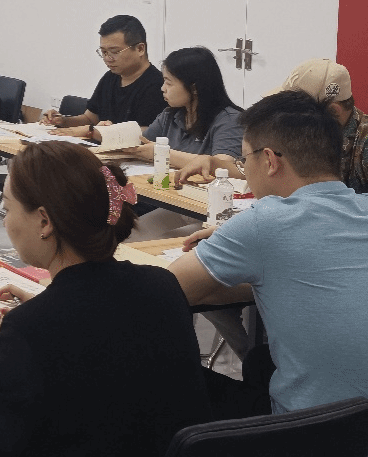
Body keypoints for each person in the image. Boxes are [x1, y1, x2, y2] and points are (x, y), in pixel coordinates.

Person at [0, 141, 210, 457]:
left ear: (44, 222)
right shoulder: (162, 286)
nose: (5, 221)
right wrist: (46, 303)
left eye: (7, 208)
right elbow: (98, 326)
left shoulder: (27, 330)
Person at [169, 90, 368, 417]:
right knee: (260, 362)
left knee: (173, 380)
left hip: (314, 431)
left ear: (270, 161)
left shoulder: (264, 222)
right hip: (353, 423)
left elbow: (166, 290)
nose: (245, 172)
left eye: (243, 160)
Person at [175, 58, 368, 193]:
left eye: (297, 108)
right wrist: (214, 164)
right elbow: (256, 167)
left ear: (334, 111)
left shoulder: (364, 142)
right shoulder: (300, 131)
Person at [42, 14, 165, 138]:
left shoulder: (157, 86)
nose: (107, 58)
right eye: (104, 52)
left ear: (140, 49)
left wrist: (92, 131)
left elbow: (145, 134)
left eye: (114, 52)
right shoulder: (110, 77)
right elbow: (90, 119)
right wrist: (63, 121)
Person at [132, 46, 244, 170]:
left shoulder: (230, 120)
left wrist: (161, 152)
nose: (163, 88)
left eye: (169, 83)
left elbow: (223, 166)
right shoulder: (169, 115)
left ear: (194, 88)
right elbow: (141, 144)